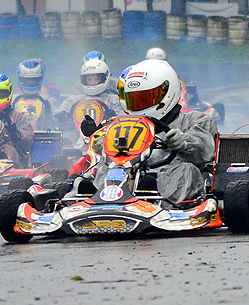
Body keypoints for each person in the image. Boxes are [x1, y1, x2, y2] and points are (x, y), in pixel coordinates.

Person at [90, 58, 218, 205]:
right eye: (135, 100)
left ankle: (156, 200)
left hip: (169, 177)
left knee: (186, 170)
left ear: (167, 93)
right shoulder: (125, 125)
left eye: (145, 99)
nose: (139, 105)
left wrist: (184, 142)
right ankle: (93, 197)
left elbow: (207, 150)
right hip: (130, 175)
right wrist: (106, 146)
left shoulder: (195, 120)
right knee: (104, 168)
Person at [55, 57, 122, 125]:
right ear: (84, 80)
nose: (93, 82)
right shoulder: (74, 99)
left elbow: (122, 118)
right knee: (67, 134)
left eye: (96, 79)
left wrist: (113, 116)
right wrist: (63, 116)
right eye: (89, 79)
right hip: (77, 133)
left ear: (105, 78)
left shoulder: (114, 99)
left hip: (105, 131)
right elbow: (58, 114)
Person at [12, 59, 56, 129]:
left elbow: (55, 119)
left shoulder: (48, 100)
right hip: (18, 134)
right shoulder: (13, 100)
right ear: (20, 78)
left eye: (34, 79)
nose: (30, 82)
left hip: (43, 134)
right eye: (27, 80)